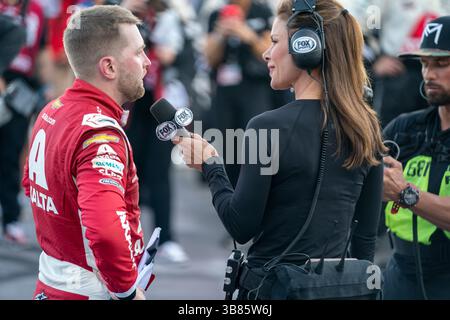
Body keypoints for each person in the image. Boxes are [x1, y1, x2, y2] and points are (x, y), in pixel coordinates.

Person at [175, 0, 386, 299]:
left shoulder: (266, 127)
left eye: (275, 42)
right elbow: (365, 241)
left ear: (305, 49)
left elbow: (240, 225)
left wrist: (211, 164)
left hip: (272, 289)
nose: (266, 53)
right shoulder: (368, 128)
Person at [22, 5, 151, 300]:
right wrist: (127, 291)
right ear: (109, 67)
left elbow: (33, 189)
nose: (146, 63)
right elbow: (106, 232)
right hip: (89, 288)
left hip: (51, 281)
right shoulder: (99, 133)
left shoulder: (52, 110)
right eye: (138, 52)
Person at [382, 15, 450, 300]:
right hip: (399, 275)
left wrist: (404, 192)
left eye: (441, 63)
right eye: (424, 63)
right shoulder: (404, 128)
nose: (428, 74)